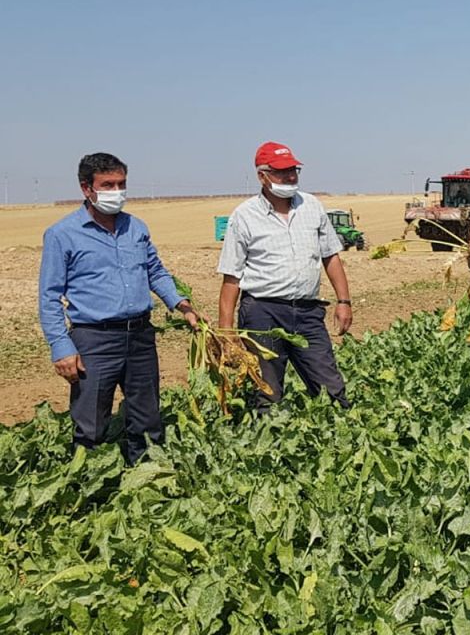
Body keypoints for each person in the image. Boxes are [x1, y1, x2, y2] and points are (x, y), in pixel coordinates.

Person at [38, 152, 200, 463]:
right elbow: (49, 296)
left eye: (121, 184)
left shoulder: (135, 228)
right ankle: (89, 486)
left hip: (140, 336)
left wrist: (182, 304)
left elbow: (155, 270)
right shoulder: (62, 234)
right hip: (94, 339)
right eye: (108, 185)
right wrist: (61, 346)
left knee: (147, 419)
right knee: (91, 423)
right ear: (87, 188)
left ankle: (146, 480)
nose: (116, 192)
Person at [216, 141, 354, 412]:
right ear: (262, 176)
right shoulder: (244, 217)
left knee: (331, 389)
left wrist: (344, 301)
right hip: (262, 313)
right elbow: (231, 278)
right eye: (281, 172)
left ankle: (340, 440)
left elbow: (331, 257)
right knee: (268, 392)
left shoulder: (312, 206)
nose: (290, 177)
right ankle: (268, 446)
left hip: (307, 312)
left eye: (293, 170)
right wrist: (226, 332)